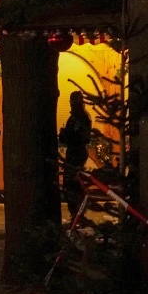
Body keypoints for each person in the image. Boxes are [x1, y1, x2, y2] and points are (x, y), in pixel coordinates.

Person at [58, 92, 94, 221]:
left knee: (72, 183)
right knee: (74, 183)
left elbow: (79, 138)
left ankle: (76, 213)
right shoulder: (82, 117)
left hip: (76, 152)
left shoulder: (78, 118)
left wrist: (65, 134)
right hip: (77, 152)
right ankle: (77, 213)